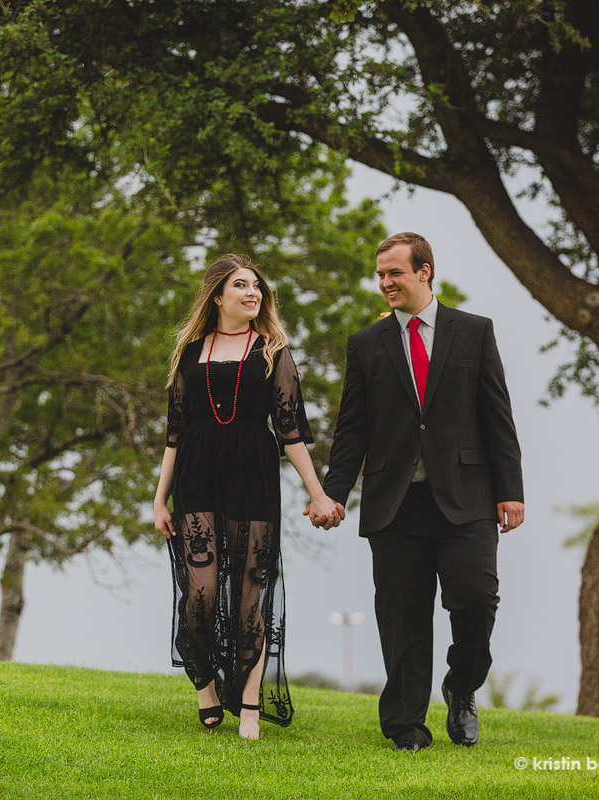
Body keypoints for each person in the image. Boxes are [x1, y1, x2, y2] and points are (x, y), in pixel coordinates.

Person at [310, 231, 524, 751]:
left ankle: (461, 686)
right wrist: (333, 492)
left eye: (394, 273)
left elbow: (498, 416)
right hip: (395, 502)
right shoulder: (366, 344)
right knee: (402, 619)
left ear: (424, 271)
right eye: (380, 274)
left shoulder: (474, 332)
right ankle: (406, 725)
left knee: (476, 599)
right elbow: (352, 428)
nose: (384, 282)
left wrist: (511, 490)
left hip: (467, 499)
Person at [153, 254, 341, 739]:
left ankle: (251, 708)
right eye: (240, 285)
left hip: (252, 475)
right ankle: (206, 686)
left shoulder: (273, 351)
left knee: (248, 599)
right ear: (218, 296)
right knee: (201, 592)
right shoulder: (189, 352)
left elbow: (292, 430)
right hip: (197, 476)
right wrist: (159, 500)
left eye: (257, 286)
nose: (252, 293)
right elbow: (174, 432)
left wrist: (318, 494)